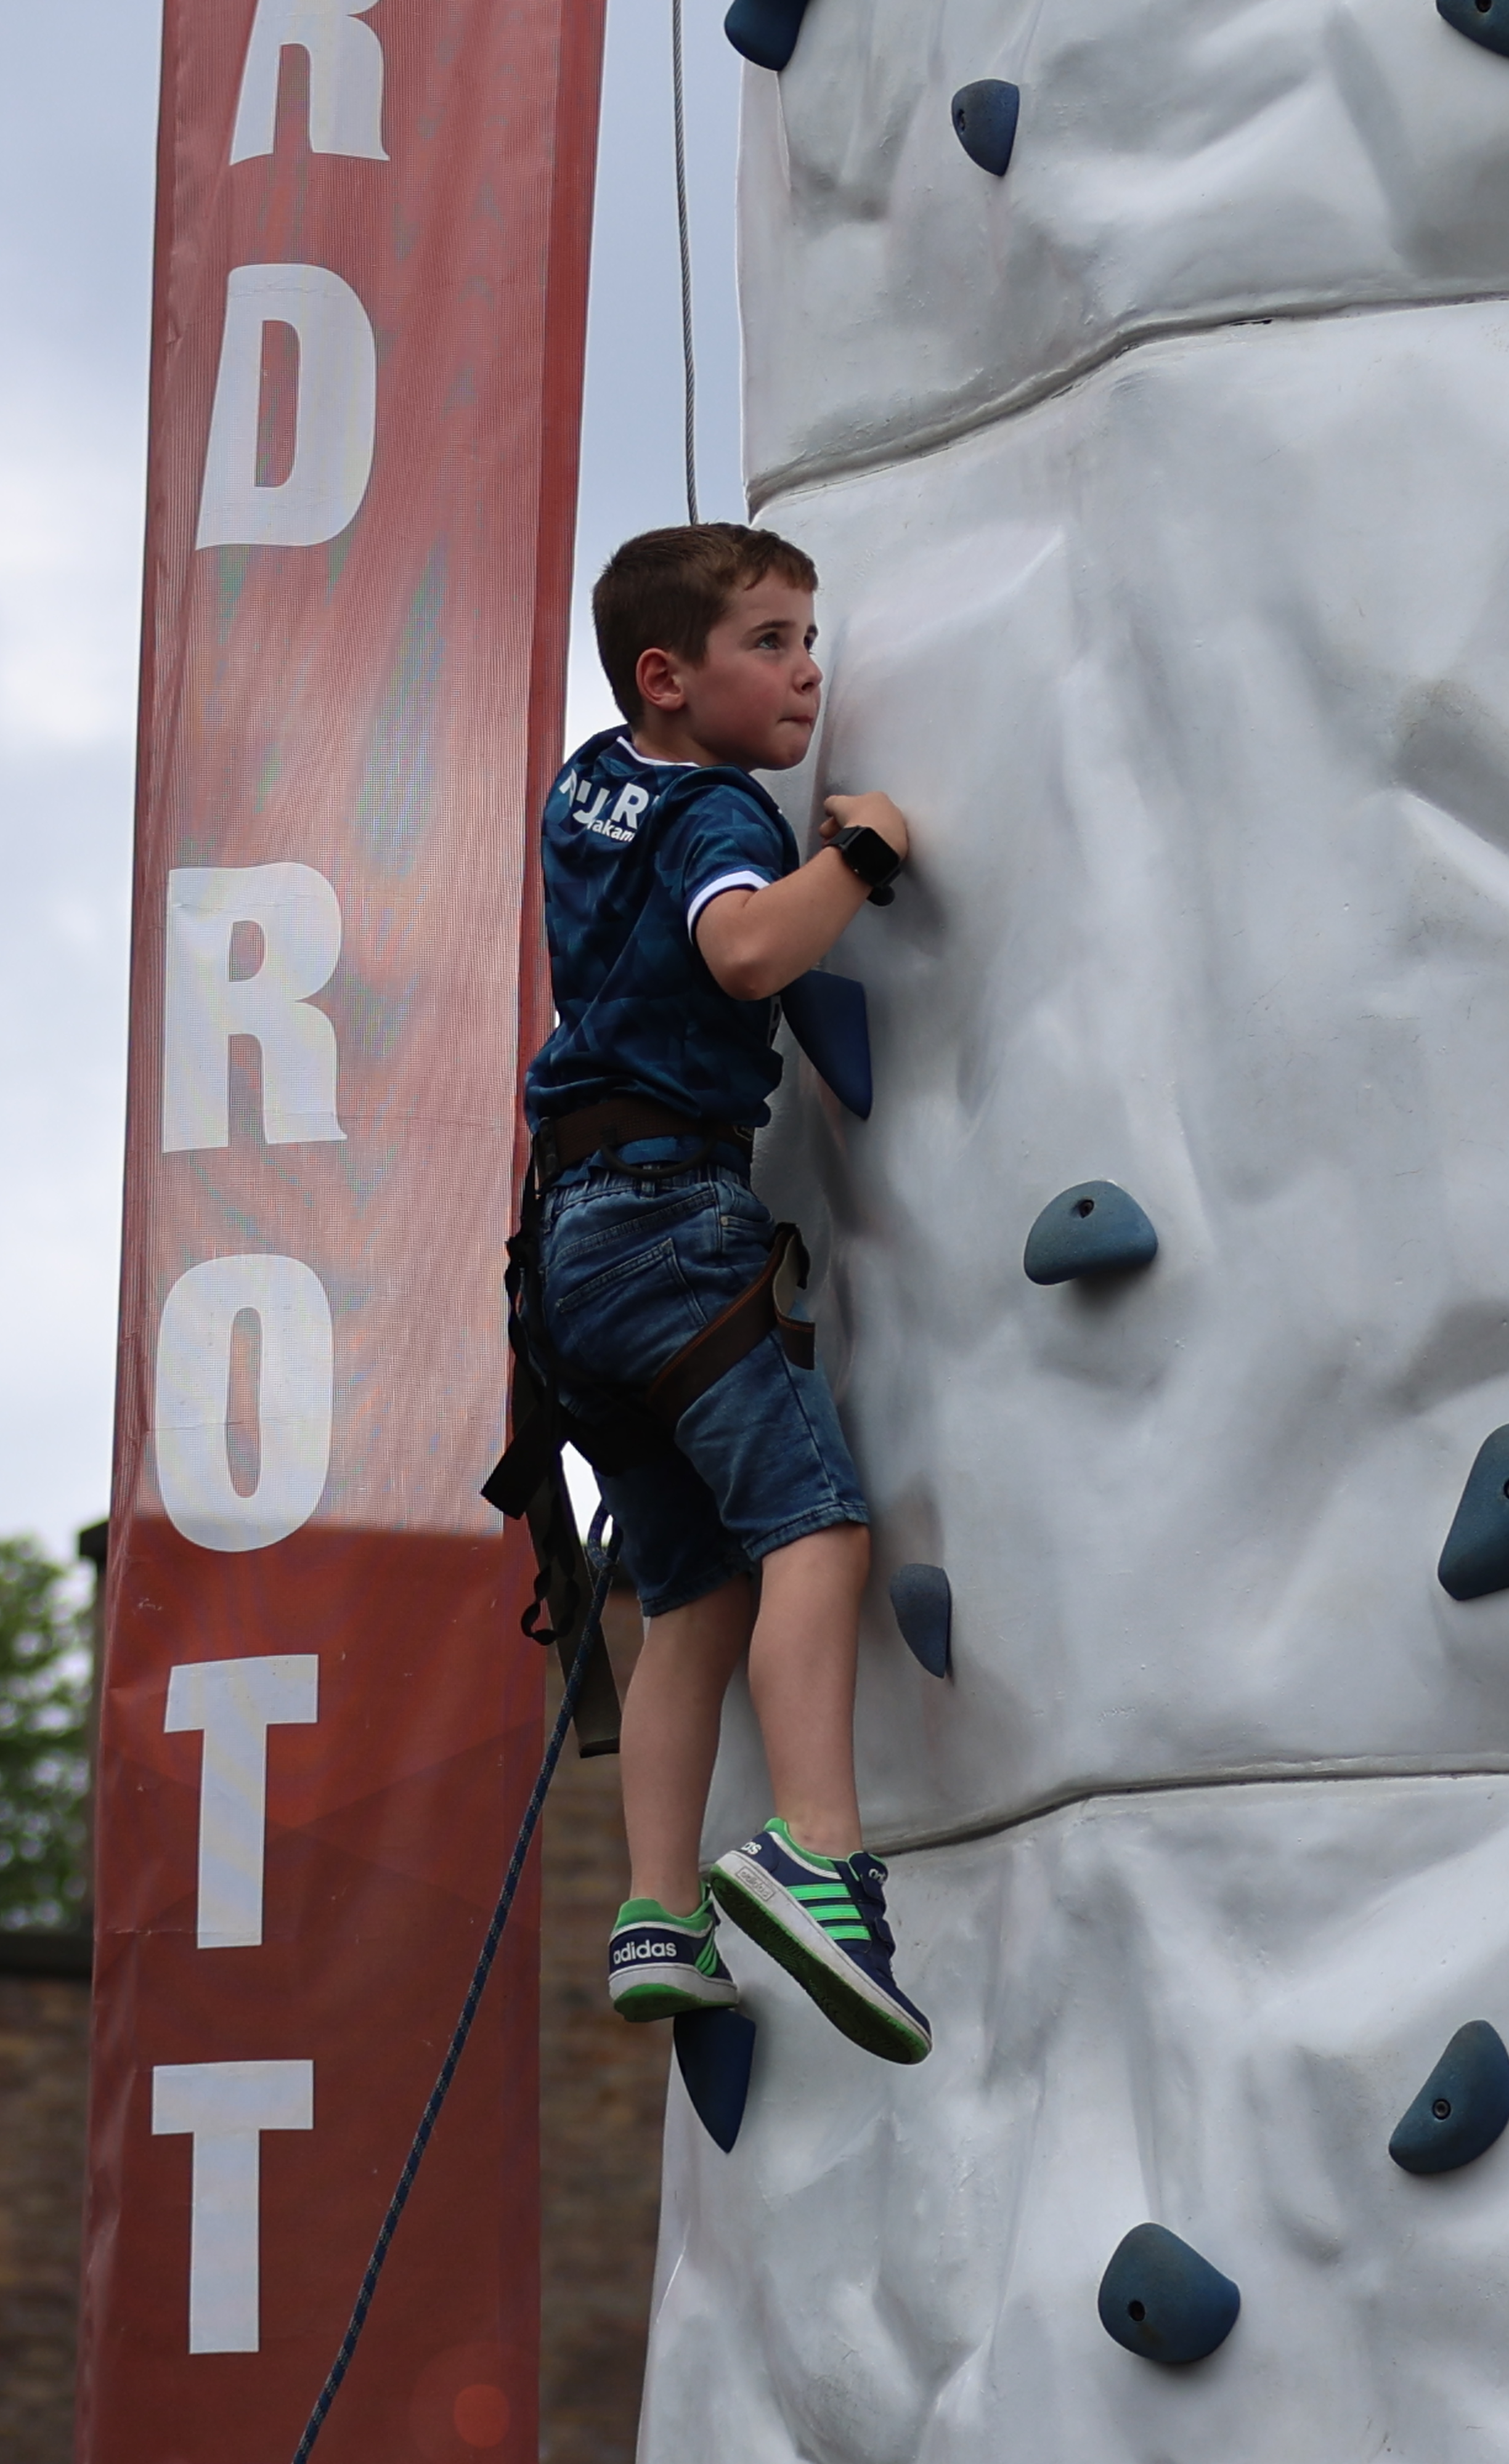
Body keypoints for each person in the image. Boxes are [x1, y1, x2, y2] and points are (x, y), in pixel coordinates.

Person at [522, 523, 929, 2065]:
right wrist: (861, 857)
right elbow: (749, 950)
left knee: (690, 1594)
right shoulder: (712, 812)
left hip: (567, 1259)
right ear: (666, 675)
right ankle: (814, 1850)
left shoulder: (590, 784)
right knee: (814, 1528)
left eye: (809, 637)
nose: (808, 670)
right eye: (770, 639)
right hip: (671, 1223)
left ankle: (655, 1909)